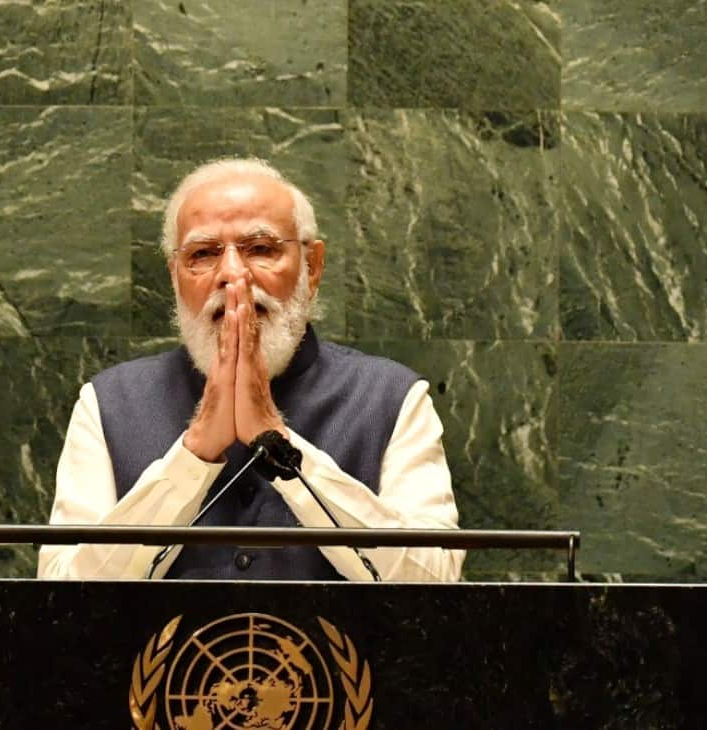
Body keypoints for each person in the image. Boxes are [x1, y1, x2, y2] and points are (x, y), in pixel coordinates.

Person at [37, 158, 464, 581]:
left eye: (260, 249)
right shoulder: (107, 404)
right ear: (174, 276)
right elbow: (60, 597)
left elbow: (435, 585)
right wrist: (195, 453)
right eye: (203, 254)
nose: (233, 275)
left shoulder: (394, 399)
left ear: (311, 267)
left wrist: (277, 445)